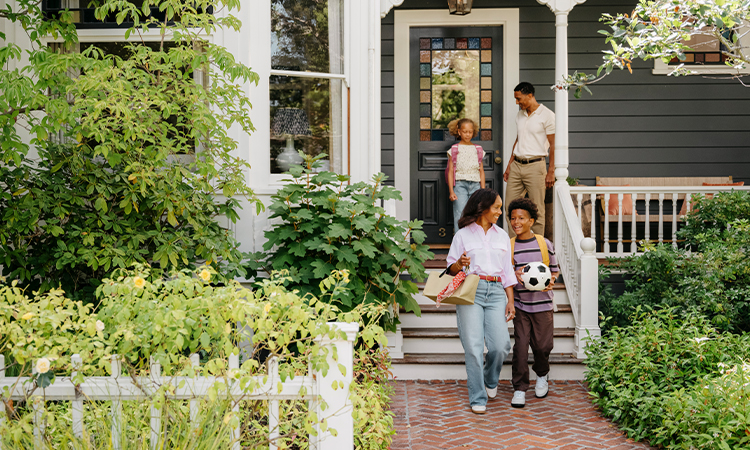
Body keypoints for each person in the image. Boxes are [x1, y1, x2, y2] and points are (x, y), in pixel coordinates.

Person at [446, 188, 516, 415]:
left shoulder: (502, 236)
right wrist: (460, 263)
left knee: (501, 345)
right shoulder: (463, 235)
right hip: (471, 290)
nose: (499, 212)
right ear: (482, 207)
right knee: (474, 348)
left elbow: (507, 271)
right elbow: (449, 269)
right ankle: (478, 396)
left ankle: (490, 379)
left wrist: (510, 301)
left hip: (496, 291)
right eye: (496, 207)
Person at [507, 198, 560, 408]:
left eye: (521, 218)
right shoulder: (509, 246)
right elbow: (505, 274)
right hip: (521, 306)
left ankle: (542, 374)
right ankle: (519, 388)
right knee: (520, 348)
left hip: (543, 306)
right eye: (512, 218)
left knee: (543, 346)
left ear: (531, 221)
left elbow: (554, 271)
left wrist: (551, 281)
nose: (516, 222)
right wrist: (515, 273)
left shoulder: (544, 244)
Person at [503, 82, 555, 236]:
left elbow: (554, 145)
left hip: (535, 166)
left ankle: (537, 248)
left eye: (519, 99)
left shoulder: (548, 115)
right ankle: (515, 247)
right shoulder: (520, 115)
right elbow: (518, 140)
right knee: (509, 208)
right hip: (517, 166)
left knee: (536, 210)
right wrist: (509, 165)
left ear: (530, 95)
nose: (517, 103)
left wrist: (551, 171)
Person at [446, 118, 485, 234]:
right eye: (465, 131)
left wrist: (482, 190)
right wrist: (451, 191)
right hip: (460, 185)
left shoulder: (478, 149)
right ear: (459, 132)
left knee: (476, 214)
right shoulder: (454, 149)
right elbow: (450, 171)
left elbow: (481, 171)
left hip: (475, 186)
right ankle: (460, 244)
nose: (468, 134)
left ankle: (475, 241)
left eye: (470, 132)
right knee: (460, 215)